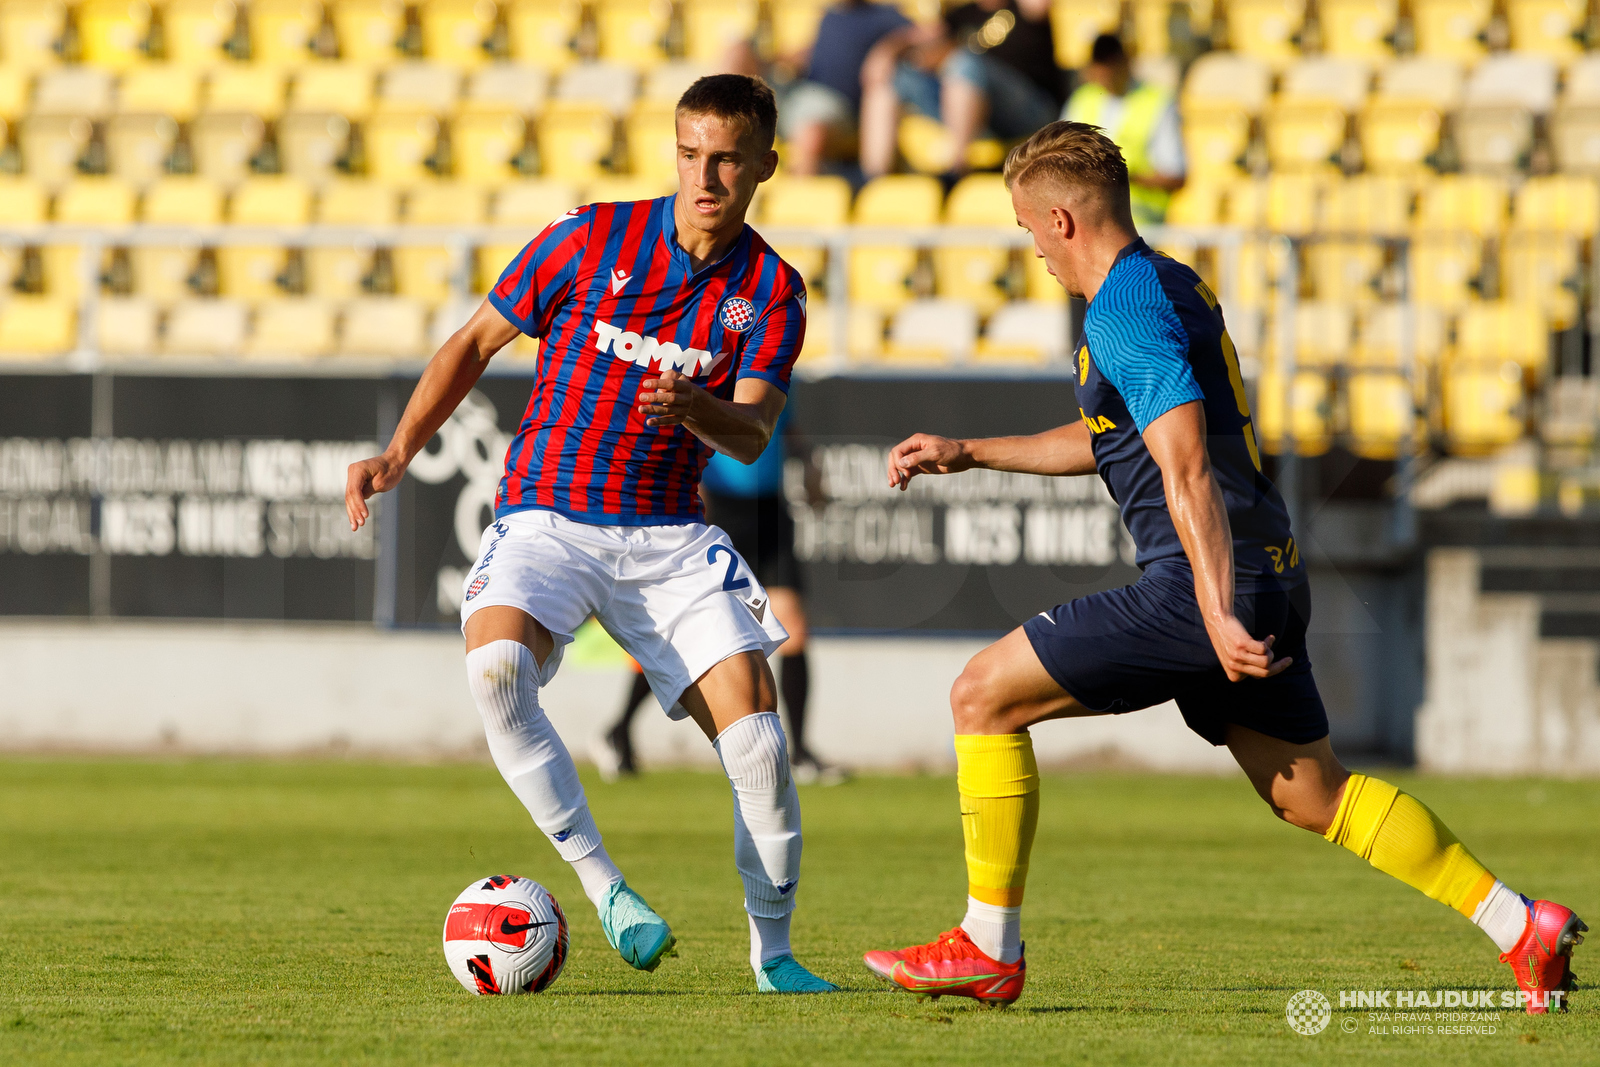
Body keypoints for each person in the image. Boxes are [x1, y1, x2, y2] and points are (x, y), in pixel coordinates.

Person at [861, 121, 1585, 1011]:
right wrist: (971, 450)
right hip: (1266, 572)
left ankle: (986, 946)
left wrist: (1209, 611)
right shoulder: (1167, 283)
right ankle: (1521, 925)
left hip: (1208, 582)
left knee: (981, 694)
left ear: (1059, 220)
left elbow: (1187, 464)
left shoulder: (1120, 310)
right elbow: (1117, 438)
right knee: (1316, 796)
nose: (1033, 253)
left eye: (1026, 231)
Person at [344, 74, 837, 995]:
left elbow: (754, 428)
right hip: (548, 516)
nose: (706, 176)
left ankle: (774, 958)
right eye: (691, 153)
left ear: (766, 164)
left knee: (760, 743)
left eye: (728, 158)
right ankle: (605, 889)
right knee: (495, 671)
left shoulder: (772, 290)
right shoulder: (591, 237)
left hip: (671, 539)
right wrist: (399, 450)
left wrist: (697, 405)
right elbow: (473, 343)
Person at [595, 406, 845, 785]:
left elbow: (784, 424)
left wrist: (808, 461)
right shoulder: (717, 363)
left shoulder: (773, 363)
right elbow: (688, 426)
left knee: (793, 624)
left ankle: (801, 752)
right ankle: (619, 728)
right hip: (718, 511)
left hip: (769, 511)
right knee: (688, 631)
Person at [726, 0, 916, 178]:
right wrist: (772, 61)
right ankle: (725, 153)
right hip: (798, 92)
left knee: (811, 135)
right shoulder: (829, 16)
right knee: (737, 52)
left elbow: (925, 33)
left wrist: (888, 49)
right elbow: (812, 53)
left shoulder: (883, 15)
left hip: (834, 105)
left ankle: (798, 198)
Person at [893, 0, 1063, 179]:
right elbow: (922, 39)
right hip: (980, 116)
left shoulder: (1023, 7)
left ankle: (956, 170)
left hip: (1031, 109)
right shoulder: (961, 15)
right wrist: (886, 52)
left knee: (964, 63)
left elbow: (1040, 6)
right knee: (902, 74)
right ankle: (873, 177)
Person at [1062, 34, 1184, 226]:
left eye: (1110, 65)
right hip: (1086, 216)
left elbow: (1175, 175)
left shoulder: (1158, 101)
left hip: (1139, 223)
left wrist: (1118, 176)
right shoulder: (1083, 99)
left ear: (1125, 62)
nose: (1105, 73)